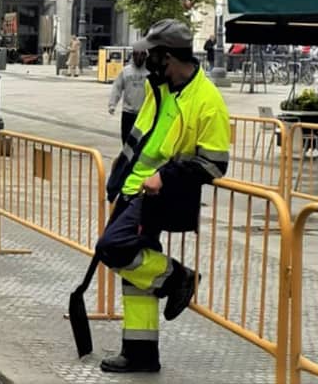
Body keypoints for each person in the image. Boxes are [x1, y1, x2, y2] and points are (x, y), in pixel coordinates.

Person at [96, 19, 230, 373]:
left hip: (158, 194)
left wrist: (164, 178)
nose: (146, 59)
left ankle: (178, 277)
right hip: (132, 187)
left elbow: (215, 165)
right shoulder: (163, 87)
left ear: (168, 56)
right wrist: (120, 171)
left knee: (112, 247)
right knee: (135, 269)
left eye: (152, 54)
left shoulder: (207, 101)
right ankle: (141, 353)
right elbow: (143, 135)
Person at [108, 50, 149, 143]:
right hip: (128, 112)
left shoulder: (150, 72)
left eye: (142, 55)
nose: (139, 58)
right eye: (136, 54)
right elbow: (117, 87)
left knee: (142, 142)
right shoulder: (126, 71)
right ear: (133, 55)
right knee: (126, 140)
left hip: (144, 113)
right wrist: (112, 104)